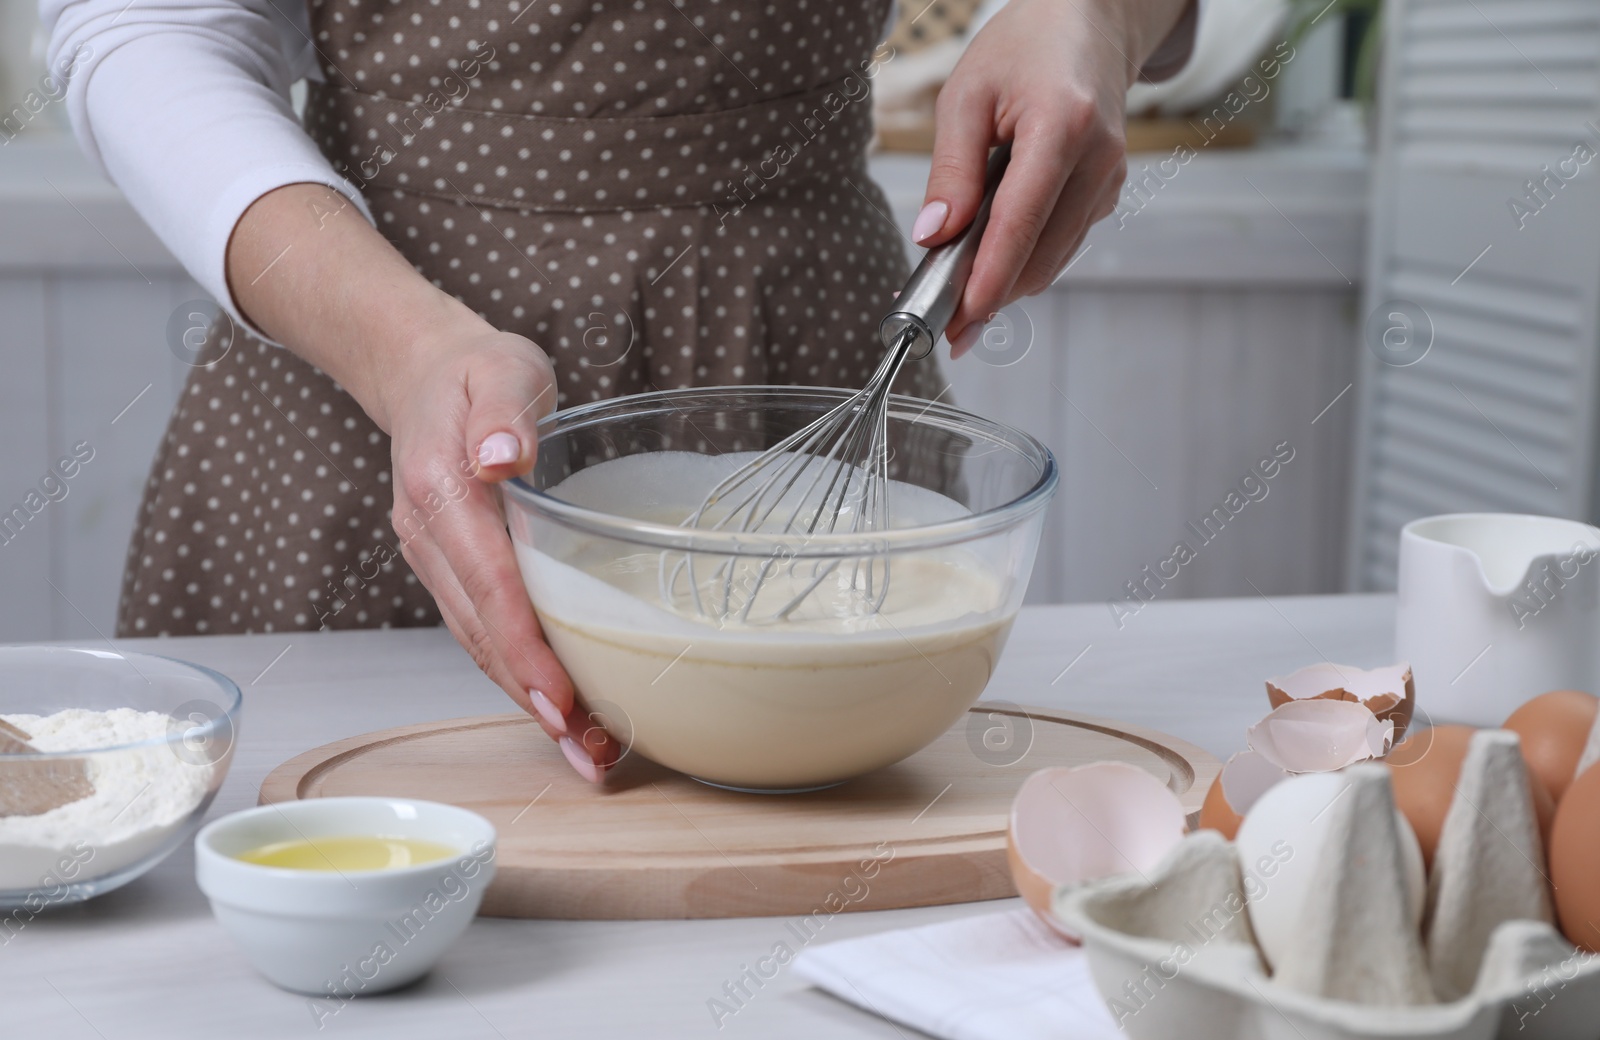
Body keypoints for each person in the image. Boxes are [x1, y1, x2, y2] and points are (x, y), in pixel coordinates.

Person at [42, 0, 1199, 781]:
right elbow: (142, 22)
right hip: (372, 382)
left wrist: (1090, 15)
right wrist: (402, 352)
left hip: (806, 364)